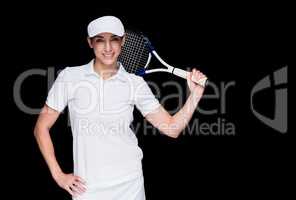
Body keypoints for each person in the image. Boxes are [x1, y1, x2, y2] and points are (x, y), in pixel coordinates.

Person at [34, 16, 206, 200]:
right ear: (90, 43)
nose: (108, 48)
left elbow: (171, 128)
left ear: (123, 41)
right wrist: (58, 175)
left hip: (130, 186)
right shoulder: (70, 77)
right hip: (87, 189)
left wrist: (195, 94)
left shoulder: (135, 83)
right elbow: (41, 128)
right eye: (100, 40)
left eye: (114, 39)